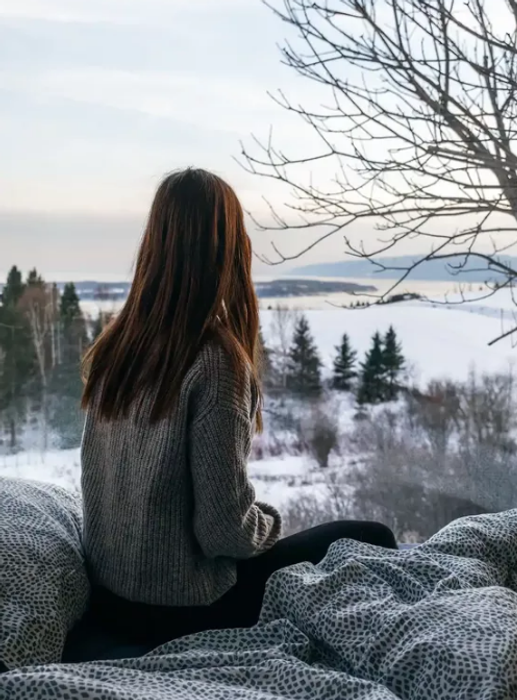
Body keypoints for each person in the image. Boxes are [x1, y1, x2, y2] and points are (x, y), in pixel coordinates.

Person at [78, 167, 398, 647]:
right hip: (182, 611)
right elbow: (224, 533)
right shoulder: (214, 362)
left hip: (108, 598)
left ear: (155, 243)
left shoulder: (116, 346)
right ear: (228, 247)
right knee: (372, 535)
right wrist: (268, 521)